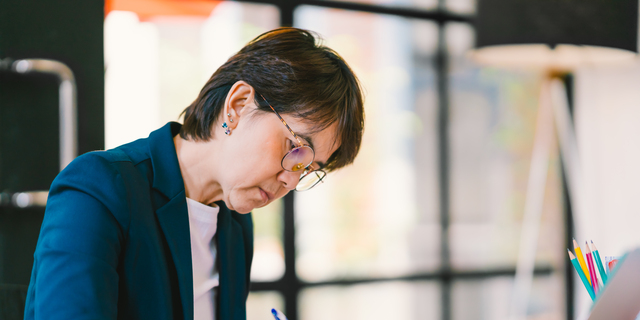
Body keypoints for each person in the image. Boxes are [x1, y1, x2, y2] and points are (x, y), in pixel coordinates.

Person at [23, 27, 364, 320]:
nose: (291, 180)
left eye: (307, 168)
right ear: (239, 104)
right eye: (295, 147)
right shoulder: (99, 188)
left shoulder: (235, 224)